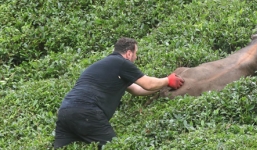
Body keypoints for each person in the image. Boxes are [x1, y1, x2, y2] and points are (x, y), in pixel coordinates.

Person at [53, 38, 185, 148]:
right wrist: (168, 79)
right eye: (136, 53)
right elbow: (148, 83)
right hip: (87, 111)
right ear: (129, 53)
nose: (136, 57)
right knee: (113, 147)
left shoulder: (107, 66)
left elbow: (138, 90)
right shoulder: (121, 63)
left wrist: (163, 85)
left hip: (65, 111)